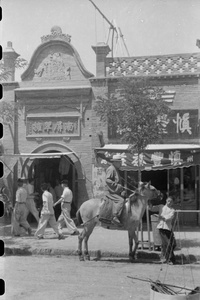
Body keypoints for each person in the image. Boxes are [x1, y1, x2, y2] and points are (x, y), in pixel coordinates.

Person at [149, 196, 177, 264]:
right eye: (168, 201)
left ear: (172, 203)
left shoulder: (172, 210)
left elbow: (168, 218)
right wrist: (149, 201)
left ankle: (166, 257)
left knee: (172, 244)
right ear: (166, 201)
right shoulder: (161, 206)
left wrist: (161, 217)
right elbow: (151, 208)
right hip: (161, 227)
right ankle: (170, 259)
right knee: (167, 243)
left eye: (171, 201)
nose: (169, 203)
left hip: (168, 228)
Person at [105, 154, 125, 226]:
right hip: (111, 192)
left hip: (115, 191)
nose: (121, 164)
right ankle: (115, 216)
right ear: (116, 162)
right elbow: (107, 180)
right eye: (120, 162)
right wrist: (116, 185)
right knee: (121, 200)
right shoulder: (111, 169)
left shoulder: (115, 169)